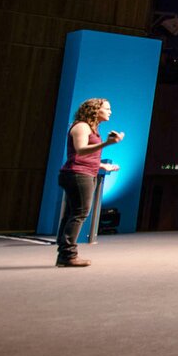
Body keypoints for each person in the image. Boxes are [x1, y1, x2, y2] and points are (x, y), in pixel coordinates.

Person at [56, 98, 121, 267]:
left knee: (73, 213)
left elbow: (85, 155)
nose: (110, 111)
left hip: (83, 172)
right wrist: (107, 143)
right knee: (79, 213)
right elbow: (80, 150)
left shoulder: (92, 128)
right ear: (95, 110)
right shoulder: (81, 126)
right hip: (77, 174)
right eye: (107, 108)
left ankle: (64, 253)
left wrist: (102, 165)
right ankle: (68, 254)